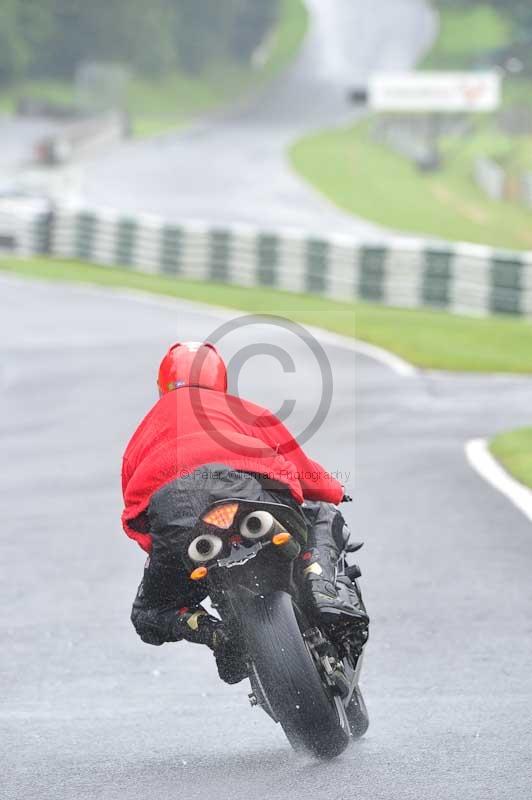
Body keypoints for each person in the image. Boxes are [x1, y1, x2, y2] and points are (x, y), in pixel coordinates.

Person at [122, 341, 369, 683]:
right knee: (321, 514)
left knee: (150, 612)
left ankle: (215, 633)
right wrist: (334, 491)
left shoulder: (142, 432)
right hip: (252, 497)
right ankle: (322, 587)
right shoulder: (243, 410)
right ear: (219, 380)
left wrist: (167, 552)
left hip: (183, 527)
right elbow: (300, 468)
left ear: (162, 384)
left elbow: (136, 514)